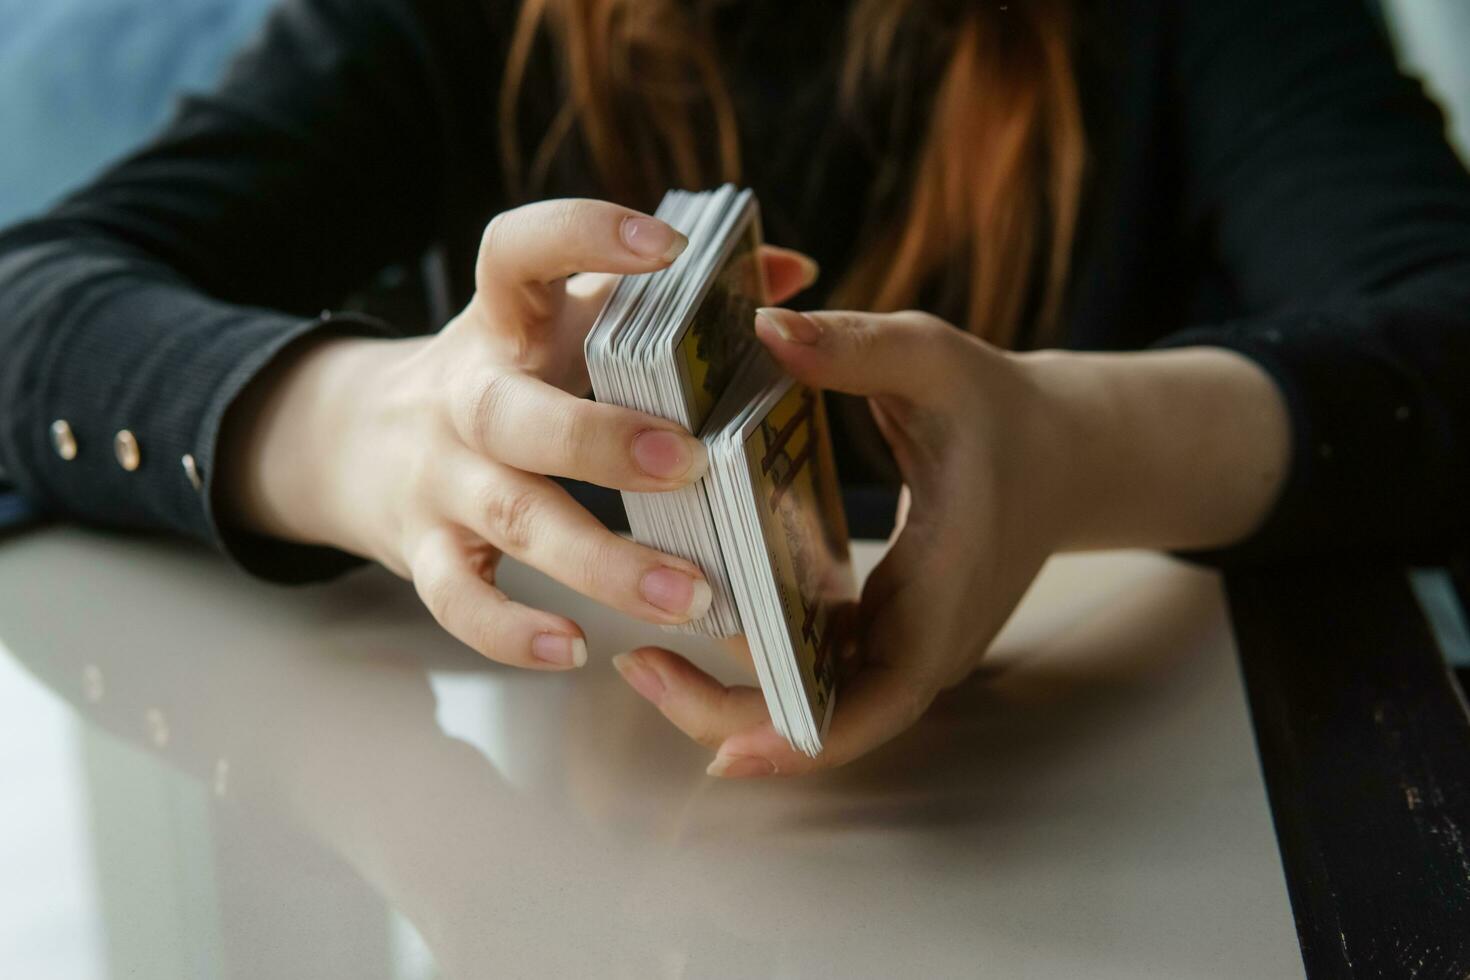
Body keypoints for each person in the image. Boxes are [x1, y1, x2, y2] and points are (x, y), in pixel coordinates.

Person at [1, 0, 1468, 779]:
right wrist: (364, 422)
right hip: (580, 821)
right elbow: (29, 306)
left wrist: (1073, 450)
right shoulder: (451, 21)